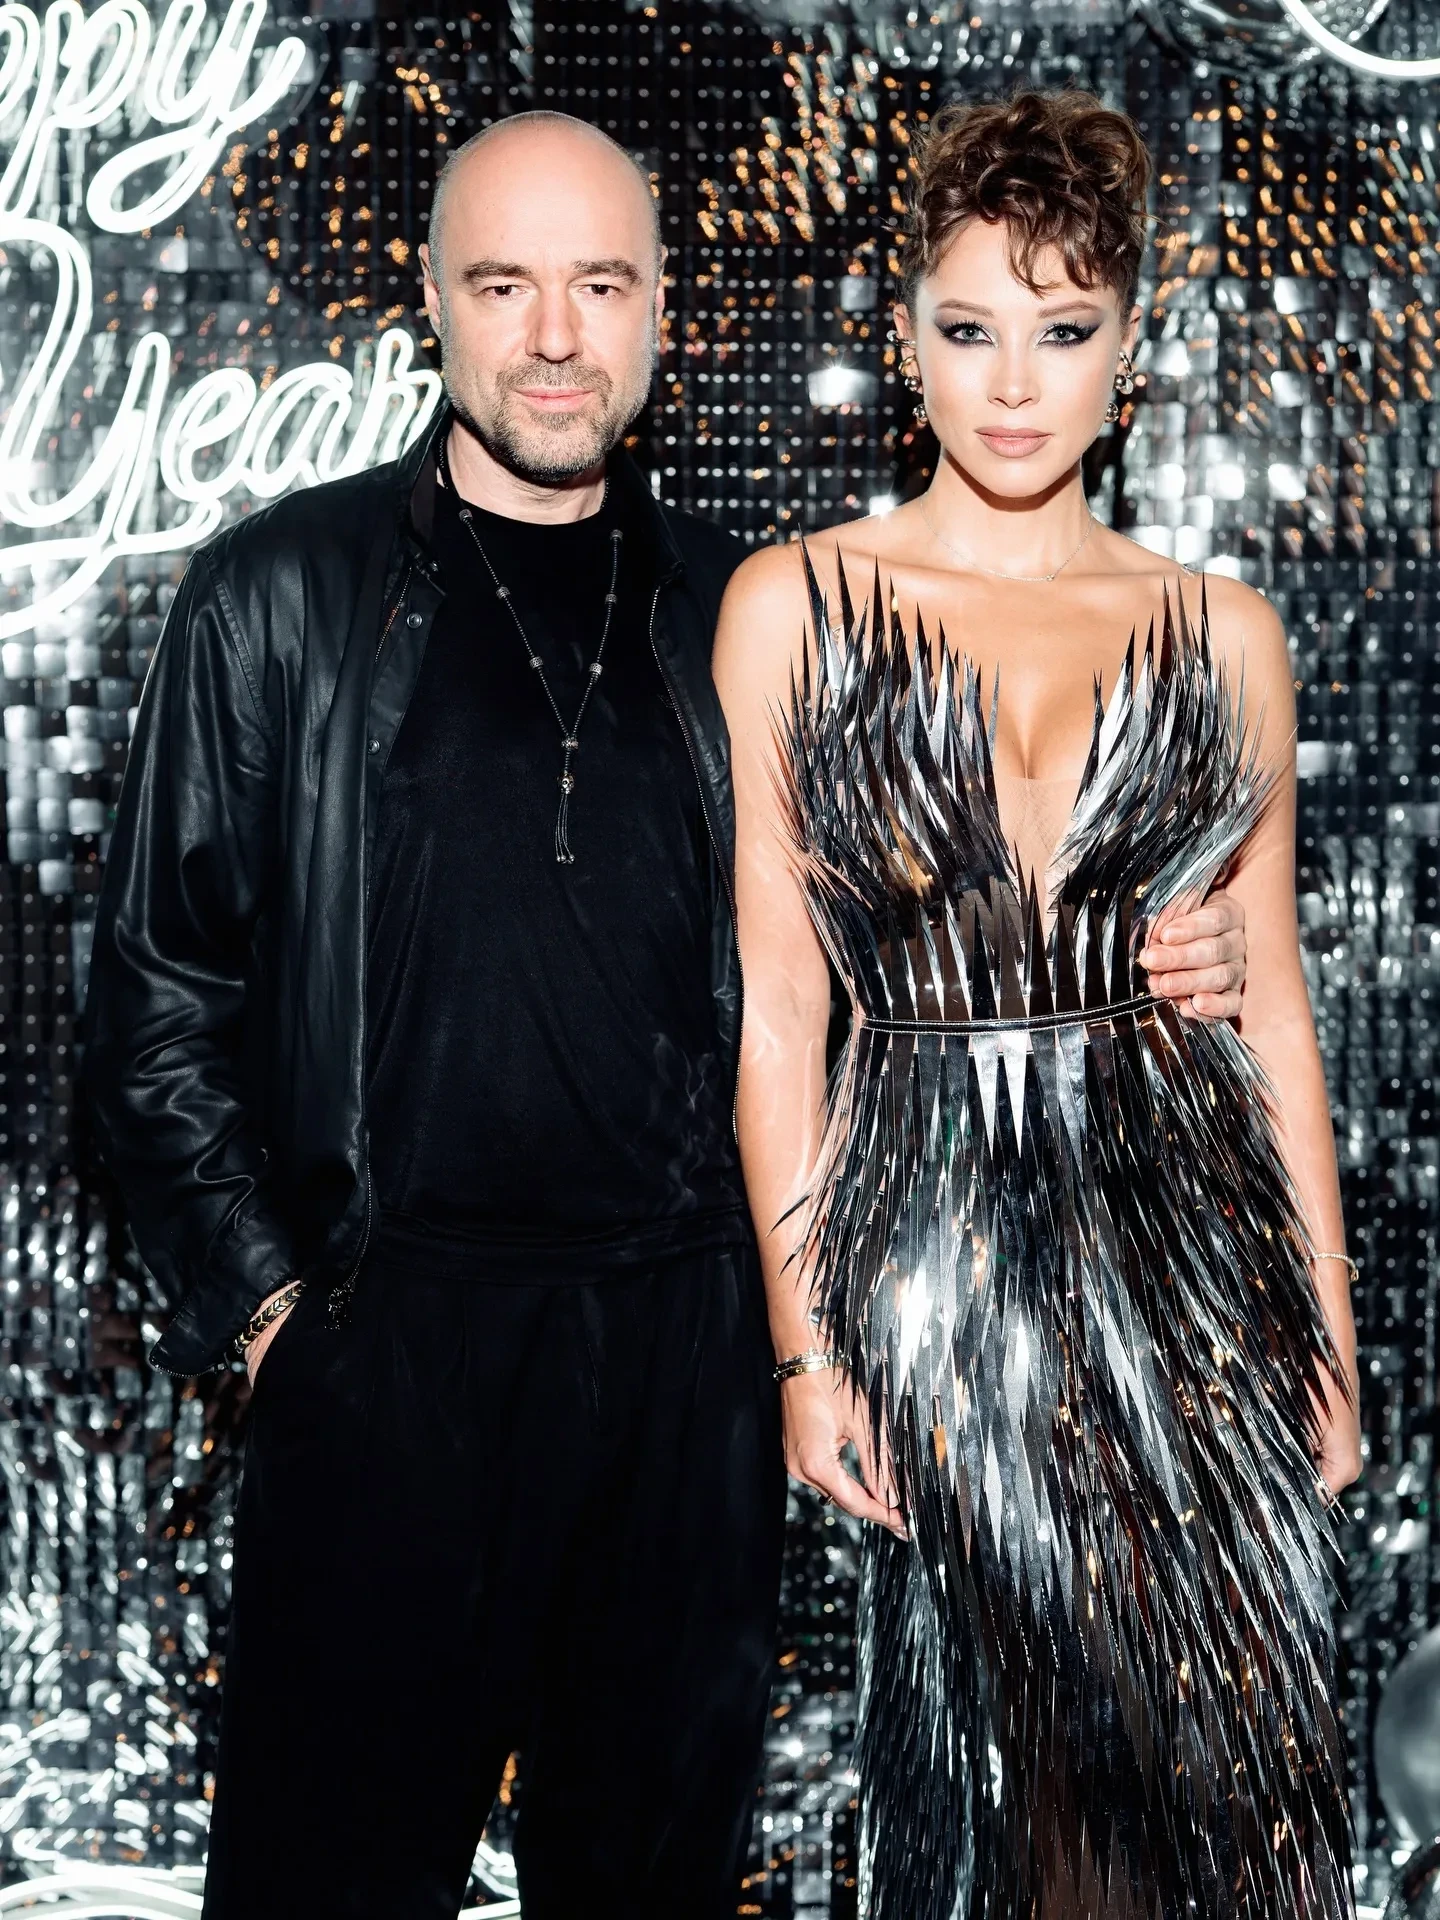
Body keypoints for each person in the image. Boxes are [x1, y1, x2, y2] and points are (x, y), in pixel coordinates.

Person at [81, 108, 1250, 1920]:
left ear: (660, 311)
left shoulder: (753, 609)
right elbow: (155, 1006)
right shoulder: (282, 592)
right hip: (393, 1361)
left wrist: (1159, 948)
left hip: (688, 1377)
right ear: (431, 303)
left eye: (601, 284)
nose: (555, 335)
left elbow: (907, 947)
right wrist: (278, 1330)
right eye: (504, 286)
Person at [714, 89, 1360, 1920]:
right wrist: (805, 1351)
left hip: (1193, 1273)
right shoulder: (791, 609)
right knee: (991, 1808)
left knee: (1213, 1796)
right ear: (904, 338)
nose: (1013, 385)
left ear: (1128, 349)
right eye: (970, 327)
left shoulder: (1227, 636)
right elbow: (780, 1012)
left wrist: (1327, 1337)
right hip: (933, 1272)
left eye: (1063, 331)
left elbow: (1276, 1010)